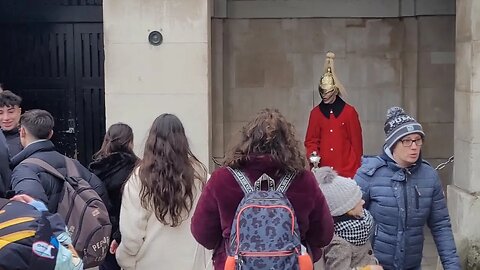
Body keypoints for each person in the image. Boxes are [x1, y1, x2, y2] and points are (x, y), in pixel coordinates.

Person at [191, 108, 334, 269]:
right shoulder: (304, 180)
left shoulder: (222, 179)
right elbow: (324, 235)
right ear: (289, 144)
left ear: (246, 141)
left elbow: (202, 234)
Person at [354, 107, 460, 270]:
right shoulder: (369, 174)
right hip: (375, 265)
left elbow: (440, 225)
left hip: (412, 264)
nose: (414, 146)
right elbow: (349, 222)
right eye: (407, 141)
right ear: (393, 144)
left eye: (417, 140)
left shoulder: (429, 176)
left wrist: (452, 266)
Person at [115, 113, 208, 270]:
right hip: (191, 262)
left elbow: (132, 234)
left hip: (149, 262)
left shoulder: (140, 178)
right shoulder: (200, 177)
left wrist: (125, 260)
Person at [10, 109, 109, 213]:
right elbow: (100, 192)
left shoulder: (24, 170)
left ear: (22, 132)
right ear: (51, 134)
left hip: (53, 228)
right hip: (78, 228)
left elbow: (30, 213)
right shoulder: (73, 164)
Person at [304, 52, 363, 178]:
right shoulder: (315, 113)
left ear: (335, 91)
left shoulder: (349, 112)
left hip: (346, 173)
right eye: (323, 92)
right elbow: (311, 141)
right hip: (322, 173)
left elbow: (356, 145)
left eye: (328, 92)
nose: (325, 96)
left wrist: (355, 170)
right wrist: (313, 155)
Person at [89, 123, 139, 270]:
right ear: (130, 142)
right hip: (129, 229)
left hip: (102, 230)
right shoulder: (138, 169)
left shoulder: (95, 169)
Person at [314, 166, 380, 270]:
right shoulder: (340, 244)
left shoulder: (360, 226)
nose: (363, 202)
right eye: (358, 200)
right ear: (348, 209)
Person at [0, 90, 23, 157]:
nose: (6, 118)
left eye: (11, 112)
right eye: (0, 113)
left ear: (19, 111)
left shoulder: (30, 138)